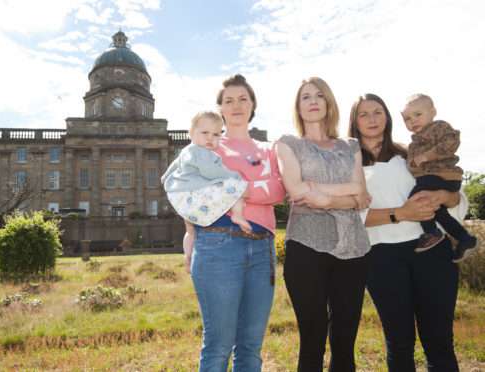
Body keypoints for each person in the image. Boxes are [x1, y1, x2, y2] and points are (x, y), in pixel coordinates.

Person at [348, 93, 467, 371]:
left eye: (378, 112)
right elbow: (347, 218)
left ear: (388, 118)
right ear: (354, 122)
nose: (372, 119)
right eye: (363, 114)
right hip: (381, 259)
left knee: (439, 342)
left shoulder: (410, 153)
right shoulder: (347, 165)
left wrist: (443, 196)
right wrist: (401, 213)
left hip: (432, 251)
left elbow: (455, 197)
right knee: (400, 343)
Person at [188, 73, 286, 371]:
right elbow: (189, 190)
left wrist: (236, 187)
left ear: (253, 104)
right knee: (219, 345)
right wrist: (257, 187)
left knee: (251, 347)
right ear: (220, 108)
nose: (237, 105)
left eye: (243, 98)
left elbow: (281, 190)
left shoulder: (268, 149)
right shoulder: (208, 143)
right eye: (229, 100)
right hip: (219, 241)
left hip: (262, 249)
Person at [276, 76, 372, 372]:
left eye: (319, 95)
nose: (314, 101)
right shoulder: (287, 143)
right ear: (299, 106)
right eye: (306, 96)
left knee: (344, 342)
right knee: (313, 340)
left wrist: (325, 197)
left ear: (329, 102)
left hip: (353, 248)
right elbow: (296, 191)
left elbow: (363, 195)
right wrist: (349, 191)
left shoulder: (351, 145)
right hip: (307, 247)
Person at [401, 93, 479, 260]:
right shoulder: (413, 143)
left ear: (433, 112)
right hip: (434, 178)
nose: (413, 121)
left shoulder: (438, 127)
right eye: (407, 118)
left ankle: (431, 233)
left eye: (418, 115)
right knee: (438, 212)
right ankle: (465, 239)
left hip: (442, 175)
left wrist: (427, 156)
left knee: (416, 199)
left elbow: (452, 141)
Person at [161, 109, 251, 234]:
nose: (210, 138)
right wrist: (233, 175)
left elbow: (176, 164)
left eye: (216, 135)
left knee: (190, 232)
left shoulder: (188, 150)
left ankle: (188, 252)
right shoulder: (200, 152)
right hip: (197, 192)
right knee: (237, 185)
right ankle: (237, 214)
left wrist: (165, 177)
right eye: (205, 132)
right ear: (191, 133)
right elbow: (210, 172)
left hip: (183, 195)